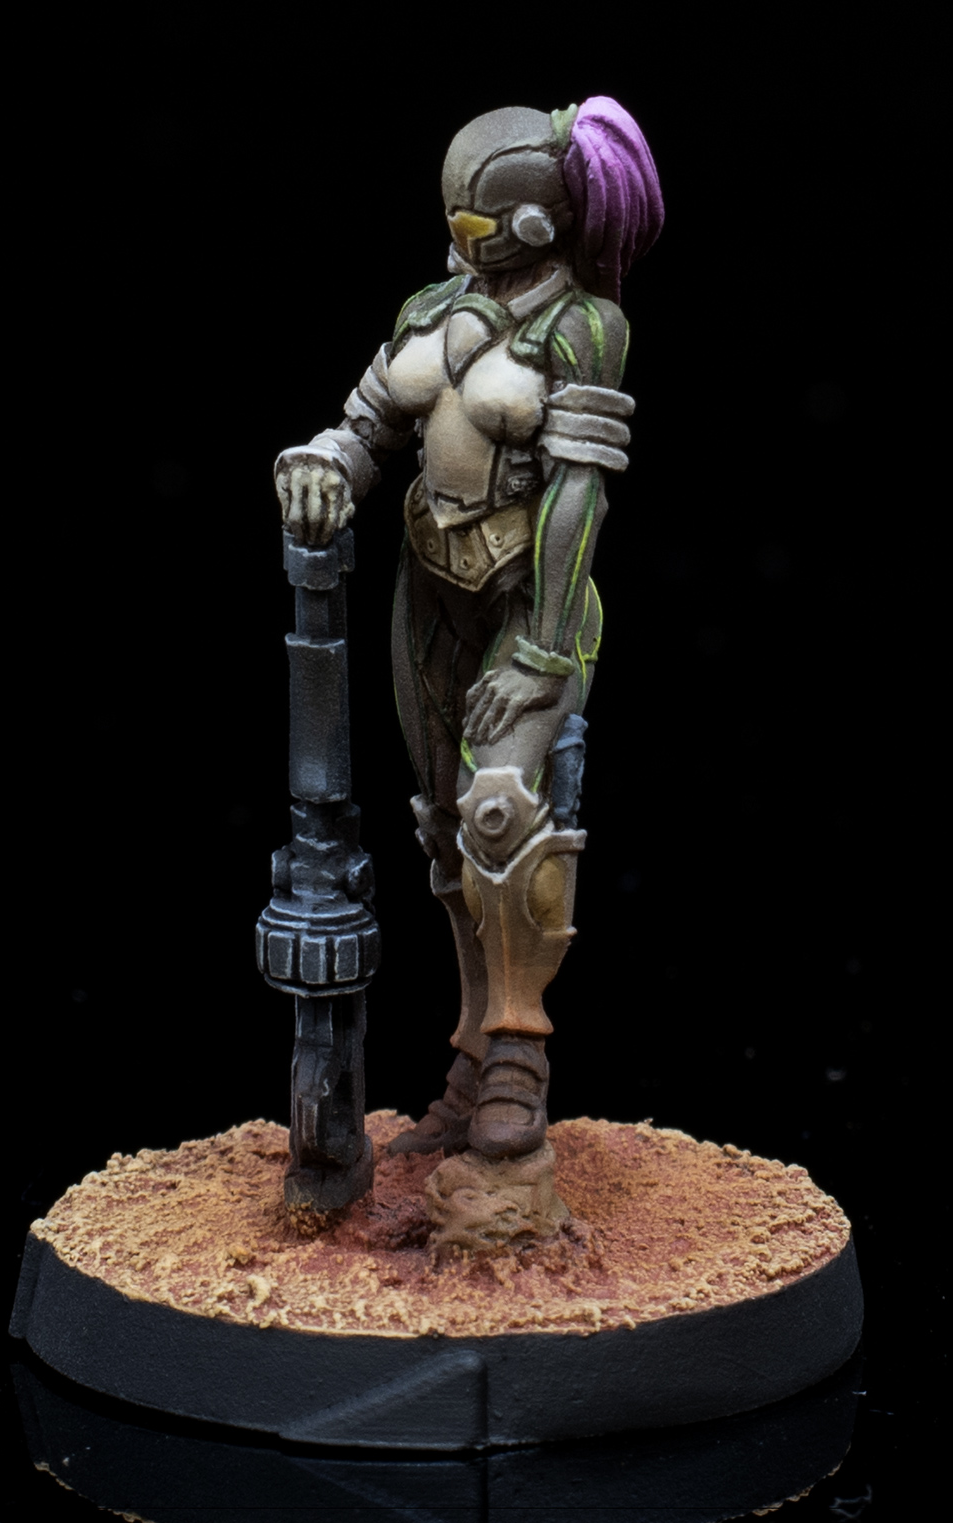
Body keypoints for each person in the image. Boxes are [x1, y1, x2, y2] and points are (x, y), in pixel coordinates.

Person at [268, 100, 662, 1192]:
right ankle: (470, 1059)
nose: (461, 242)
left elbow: (578, 496)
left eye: (480, 226)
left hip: (527, 605)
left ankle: (519, 1055)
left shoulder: (583, 328)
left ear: (537, 223)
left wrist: (543, 650)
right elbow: (367, 425)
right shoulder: (432, 307)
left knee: (501, 811)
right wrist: (322, 463)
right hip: (428, 598)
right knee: (444, 827)